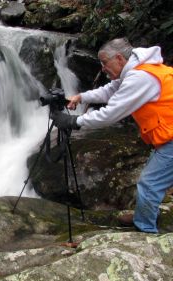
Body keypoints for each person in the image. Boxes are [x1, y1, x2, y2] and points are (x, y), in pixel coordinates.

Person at [51, 37, 173, 233]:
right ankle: (145, 215)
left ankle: (146, 231)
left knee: (149, 184)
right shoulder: (136, 70)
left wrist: (74, 122)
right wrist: (81, 97)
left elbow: (110, 114)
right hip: (167, 137)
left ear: (118, 58)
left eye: (105, 63)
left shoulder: (140, 78)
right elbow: (110, 91)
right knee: (154, 179)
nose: (103, 68)